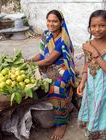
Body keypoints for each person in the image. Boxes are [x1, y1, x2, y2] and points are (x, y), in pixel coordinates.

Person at [31, 10, 77, 140]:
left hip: (63, 67)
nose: (51, 24)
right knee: (33, 81)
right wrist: (28, 61)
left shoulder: (63, 38)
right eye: (49, 21)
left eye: (55, 21)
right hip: (48, 66)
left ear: (61, 22)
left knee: (56, 87)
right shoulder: (46, 35)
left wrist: (32, 65)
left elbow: (49, 60)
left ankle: (61, 123)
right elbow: (41, 55)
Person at [77, 10, 106, 140]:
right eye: (93, 26)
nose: (97, 29)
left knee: (102, 109)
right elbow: (86, 64)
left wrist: (94, 52)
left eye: (102, 25)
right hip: (91, 85)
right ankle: (94, 131)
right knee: (93, 107)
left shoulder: (90, 47)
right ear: (89, 27)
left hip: (104, 87)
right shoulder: (87, 45)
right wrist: (82, 82)